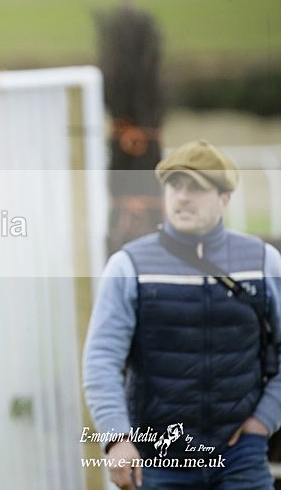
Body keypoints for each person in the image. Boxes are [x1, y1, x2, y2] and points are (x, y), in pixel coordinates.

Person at [83, 139, 281, 489]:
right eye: (175, 186)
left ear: (224, 198)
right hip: (157, 460)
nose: (183, 197)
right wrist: (117, 438)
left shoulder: (264, 262)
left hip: (241, 456)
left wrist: (263, 421)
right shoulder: (128, 266)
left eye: (197, 188)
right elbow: (101, 359)